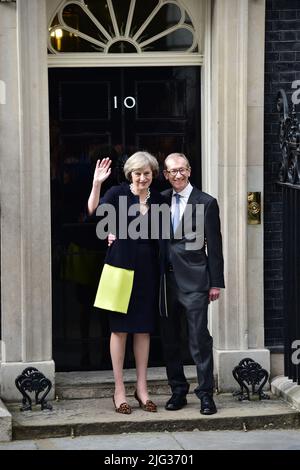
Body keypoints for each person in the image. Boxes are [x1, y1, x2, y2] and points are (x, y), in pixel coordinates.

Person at [87, 152, 166, 414]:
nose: (142, 178)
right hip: (119, 266)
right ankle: (119, 390)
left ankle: (142, 389)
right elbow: (94, 212)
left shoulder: (160, 200)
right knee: (119, 329)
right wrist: (97, 183)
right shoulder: (118, 193)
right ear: (129, 174)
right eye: (137, 173)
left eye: (147, 173)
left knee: (143, 329)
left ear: (153, 174)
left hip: (148, 270)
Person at [160, 152, 225, 415]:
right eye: (172, 171)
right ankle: (178, 391)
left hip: (196, 281)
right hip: (165, 281)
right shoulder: (159, 201)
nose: (177, 175)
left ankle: (206, 394)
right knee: (170, 339)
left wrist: (216, 283)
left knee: (199, 339)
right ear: (165, 175)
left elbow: (216, 248)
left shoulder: (206, 202)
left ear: (189, 171)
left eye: (182, 170)